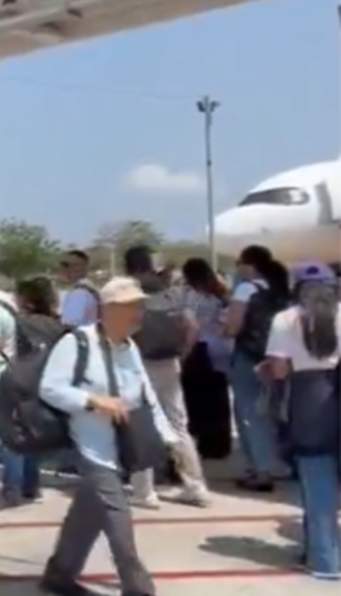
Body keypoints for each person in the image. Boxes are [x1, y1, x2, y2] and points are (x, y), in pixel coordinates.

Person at [38, 277, 177, 596]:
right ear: (108, 309)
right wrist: (93, 401)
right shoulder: (77, 343)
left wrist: (169, 438)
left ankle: (59, 574)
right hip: (90, 447)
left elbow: (146, 394)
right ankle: (138, 589)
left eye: (140, 305)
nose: (139, 312)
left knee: (85, 516)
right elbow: (50, 388)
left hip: (121, 448)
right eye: (132, 306)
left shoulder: (130, 348)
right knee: (118, 520)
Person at [262, 262, 341, 581]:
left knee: (316, 479)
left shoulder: (286, 319)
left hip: (310, 397)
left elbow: (279, 370)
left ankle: (324, 560)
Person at [120, 246, 208, 508]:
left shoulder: (129, 295)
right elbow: (192, 327)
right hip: (169, 363)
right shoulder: (173, 293)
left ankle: (144, 490)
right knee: (178, 425)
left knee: (140, 425)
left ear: (130, 267)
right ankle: (195, 485)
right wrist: (182, 354)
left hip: (137, 364)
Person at [0, 275, 59, 506]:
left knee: (11, 433)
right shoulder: (56, 323)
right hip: (43, 381)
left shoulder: (21, 322)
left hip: (18, 379)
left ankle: (12, 488)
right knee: (33, 431)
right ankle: (31, 486)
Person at [224, 244, 291, 491]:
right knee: (272, 413)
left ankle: (261, 470)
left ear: (249, 264)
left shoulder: (245, 289)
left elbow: (233, 327)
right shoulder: (279, 289)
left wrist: (224, 327)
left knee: (250, 413)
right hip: (276, 357)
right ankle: (278, 463)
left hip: (248, 357)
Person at [179, 258, 234, 460]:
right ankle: (218, 443)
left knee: (196, 399)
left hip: (199, 348)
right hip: (219, 348)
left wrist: (184, 354)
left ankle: (201, 441)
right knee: (218, 399)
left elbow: (191, 326)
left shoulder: (192, 296)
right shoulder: (219, 294)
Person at [58, 250, 99, 326]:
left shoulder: (79, 293)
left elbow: (70, 325)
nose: (63, 269)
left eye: (66, 265)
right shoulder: (90, 289)